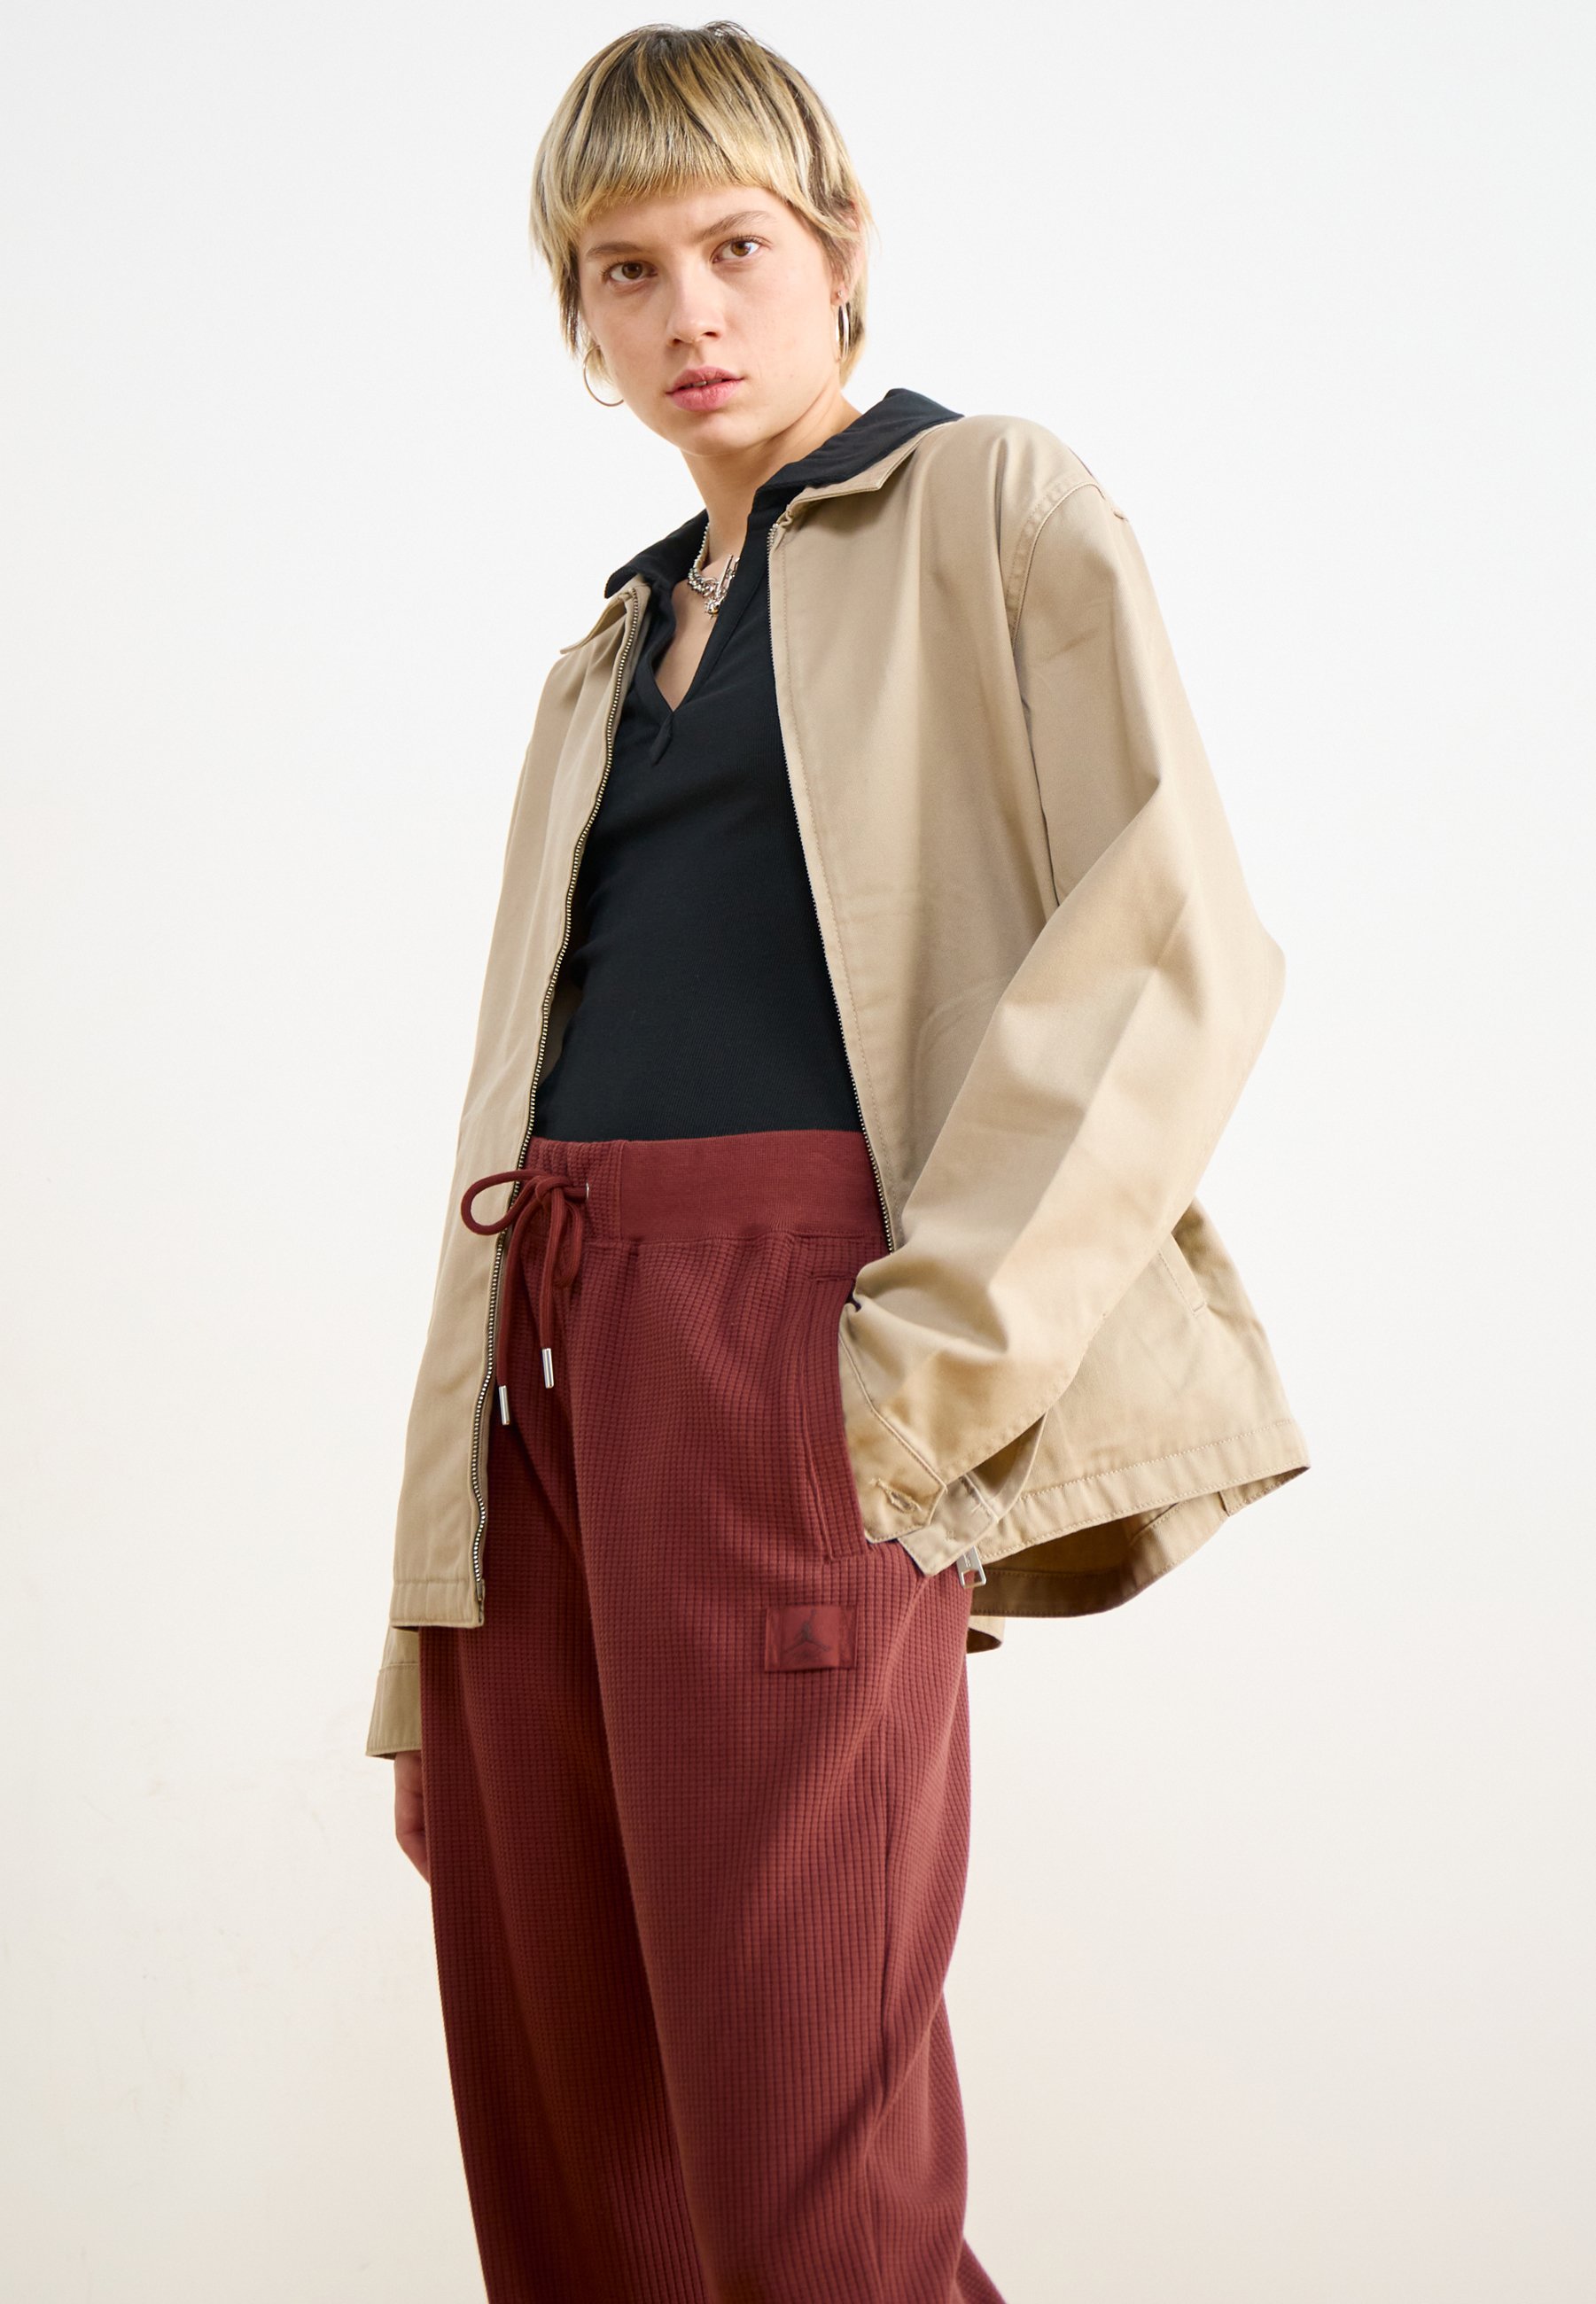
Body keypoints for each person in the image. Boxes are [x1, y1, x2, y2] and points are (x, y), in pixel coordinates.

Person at [366, 20, 1310, 2303]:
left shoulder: (988, 503)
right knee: (562, 2125)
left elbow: (1173, 936)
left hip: (793, 1343)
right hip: (538, 1374)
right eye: (624, 272)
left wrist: (914, 1372)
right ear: (577, 314)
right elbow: (507, 1108)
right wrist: (426, 1612)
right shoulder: (605, 654)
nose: (687, 313)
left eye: (733, 247)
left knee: (807, 2157)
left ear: (838, 243)